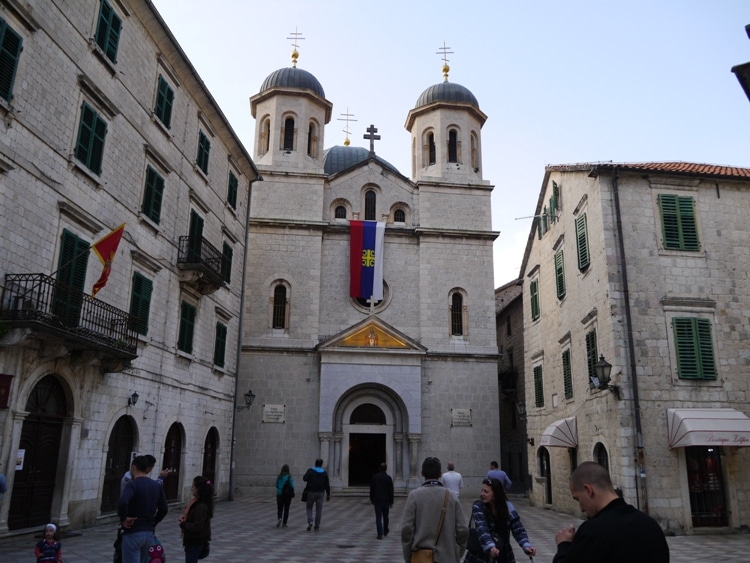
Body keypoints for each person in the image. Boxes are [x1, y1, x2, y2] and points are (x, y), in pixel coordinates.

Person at [553, 461, 669, 562]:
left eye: (578, 499)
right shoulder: (651, 526)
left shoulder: (592, 532)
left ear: (588, 490)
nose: (581, 508)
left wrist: (564, 545)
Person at [401, 456, 468, 563]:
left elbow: (406, 530)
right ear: (440, 474)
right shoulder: (452, 497)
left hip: (421, 557)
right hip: (447, 557)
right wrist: (457, 552)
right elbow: (463, 530)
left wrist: (408, 556)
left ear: (422, 473)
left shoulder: (414, 495)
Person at [465, 478, 536, 563]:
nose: (482, 494)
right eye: (482, 490)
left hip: (503, 553)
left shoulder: (508, 508)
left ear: (495, 494)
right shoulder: (478, 506)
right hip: (480, 553)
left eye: (486, 492)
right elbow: (481, 528)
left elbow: (518, 529)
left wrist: (526, 545)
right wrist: (490, 546)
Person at [118, 455, 169, 563]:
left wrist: (124, 518)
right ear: (147, 469)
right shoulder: (156, 486)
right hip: (149, 533)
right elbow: (164, 509)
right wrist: (153, 521)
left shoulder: (132, 485)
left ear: (133, 467)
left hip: (133, 531)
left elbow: (123, 501)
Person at [179, 475, 213, 563]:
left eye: (193, 486)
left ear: (198, 489)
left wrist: (184, 524)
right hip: (194, 540)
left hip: (195, 541)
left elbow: (198, 526)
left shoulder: (201, 505)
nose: (191, 489)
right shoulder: (197, 502)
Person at [303, 458, 330, 532]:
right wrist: (328, 494)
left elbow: (304, 478)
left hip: (311, 492)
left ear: (315, 463)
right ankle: (317, 526)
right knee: (319, 510)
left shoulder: (310, 470)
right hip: (320, 493)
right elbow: (327, 485)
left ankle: (310, 520)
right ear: (321, 464)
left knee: (309, 507)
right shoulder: (324, 472)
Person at [370, 462, 394, 539]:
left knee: (378, 517)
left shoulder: (375, 477)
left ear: (379, 468)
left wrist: (372, 499)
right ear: (386, 469)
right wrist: (391, 501)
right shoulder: (388, 478)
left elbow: (372, 489)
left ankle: (380, 533)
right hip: (386, 500)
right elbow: (391, 490)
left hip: (377, 500)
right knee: (386, 516)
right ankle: (385, 530)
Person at [275, 464, 295, 528]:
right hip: (287, 495)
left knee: (280, 508)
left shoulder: (279, 477)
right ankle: (284, 523)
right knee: (286, 509)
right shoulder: (290, 477)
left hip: (279, 494)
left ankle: (279, 518)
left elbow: (276, 485)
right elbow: (292, 486)